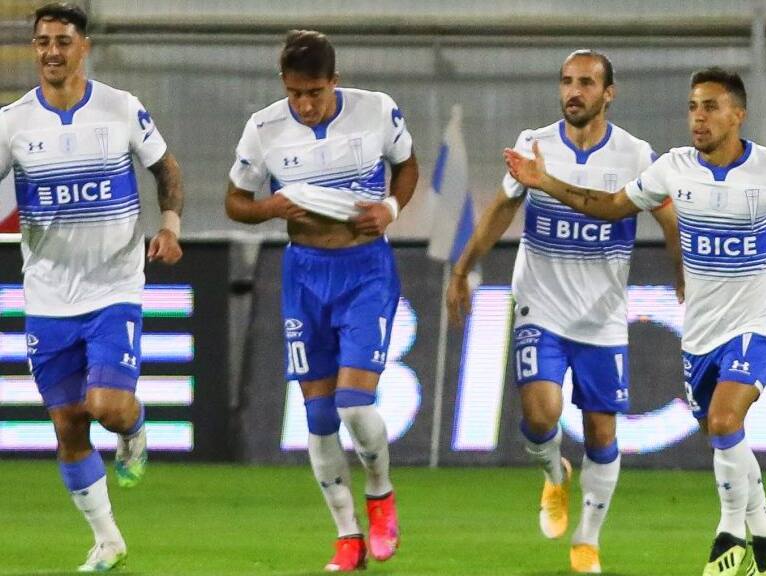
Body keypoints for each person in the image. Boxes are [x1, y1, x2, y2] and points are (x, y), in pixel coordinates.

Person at [506, 66, 766, 576]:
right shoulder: (672, 168)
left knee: (723, 420)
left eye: (711, 107)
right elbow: (607, 206)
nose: (698, 118)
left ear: (738, 114)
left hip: (755, 321)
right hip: (701, 331)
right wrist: (546, 182)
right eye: (693, 107)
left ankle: (731, 529)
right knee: (721, 434)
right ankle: (760, 530)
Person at [448, 50, 683, 574]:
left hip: (601, 316)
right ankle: (556, 474)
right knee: (540, 416)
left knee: (602, 432)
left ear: (608, 93)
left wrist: (681, 272)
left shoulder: (635, 154)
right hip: (541, 306)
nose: (573, 92)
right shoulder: (536, 145)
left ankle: (587, 539)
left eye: (585, 83)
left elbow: (668, 218)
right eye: (566, 82)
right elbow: (502, 207)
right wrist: (463, 267)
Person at [226, 29, 418, 572]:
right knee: (317, 416)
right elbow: (236, 201)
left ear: (334, 80)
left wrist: (390, 209)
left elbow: (407, 166)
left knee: (354, 403)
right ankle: (346, 535)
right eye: (295, 94)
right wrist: (273, 208)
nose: (305, 104)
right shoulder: (264, 129)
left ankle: (380, 494)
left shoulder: (376, 110)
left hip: (365, 271)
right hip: (305, 275)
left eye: (314, 91)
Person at [0, 3, 184, 571]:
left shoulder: (120, 108)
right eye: (42, 42)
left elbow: (167, 170)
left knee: (105, 407)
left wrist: (171, 224)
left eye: (62, 41)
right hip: (47, 294)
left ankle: (134, 426)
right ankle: (108, 539)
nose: (51, 52)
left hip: (114, 285)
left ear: (84, 46)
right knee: (66, 423)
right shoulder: (12, 123)